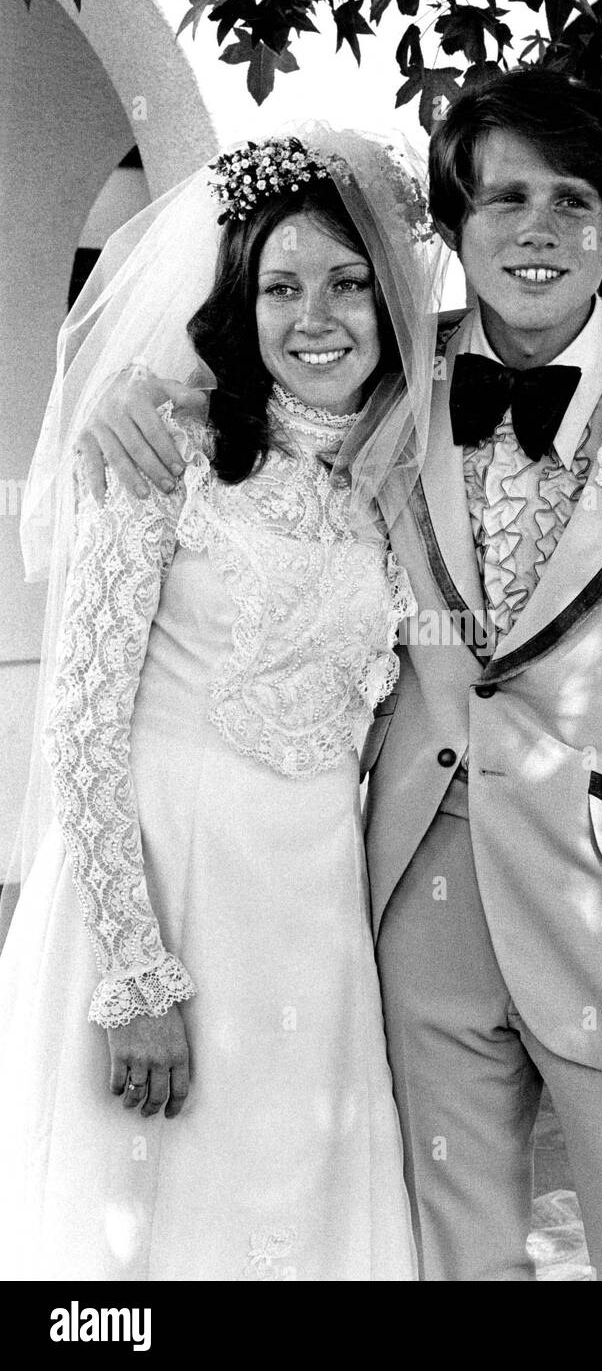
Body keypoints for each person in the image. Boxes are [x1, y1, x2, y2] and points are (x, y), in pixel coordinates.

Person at [70, 77, 602, 1284]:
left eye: (570, 201)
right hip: (371, 903)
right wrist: (126, 394)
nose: (533, 230)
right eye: (499, 200)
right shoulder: (254, 422)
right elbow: (85, 717)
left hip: (535, 917)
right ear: (457, 229)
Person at [0, 129, 445, 1280]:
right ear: (236, 308)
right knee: (141, 1234)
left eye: (349, 284)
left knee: (288, 1214)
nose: (317, 318)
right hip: (158, 901)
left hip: (313, 920)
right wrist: (137, 977)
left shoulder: (394, 480)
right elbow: (83, 726)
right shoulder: (160, 459)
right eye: (281, 287)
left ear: (394, 301)